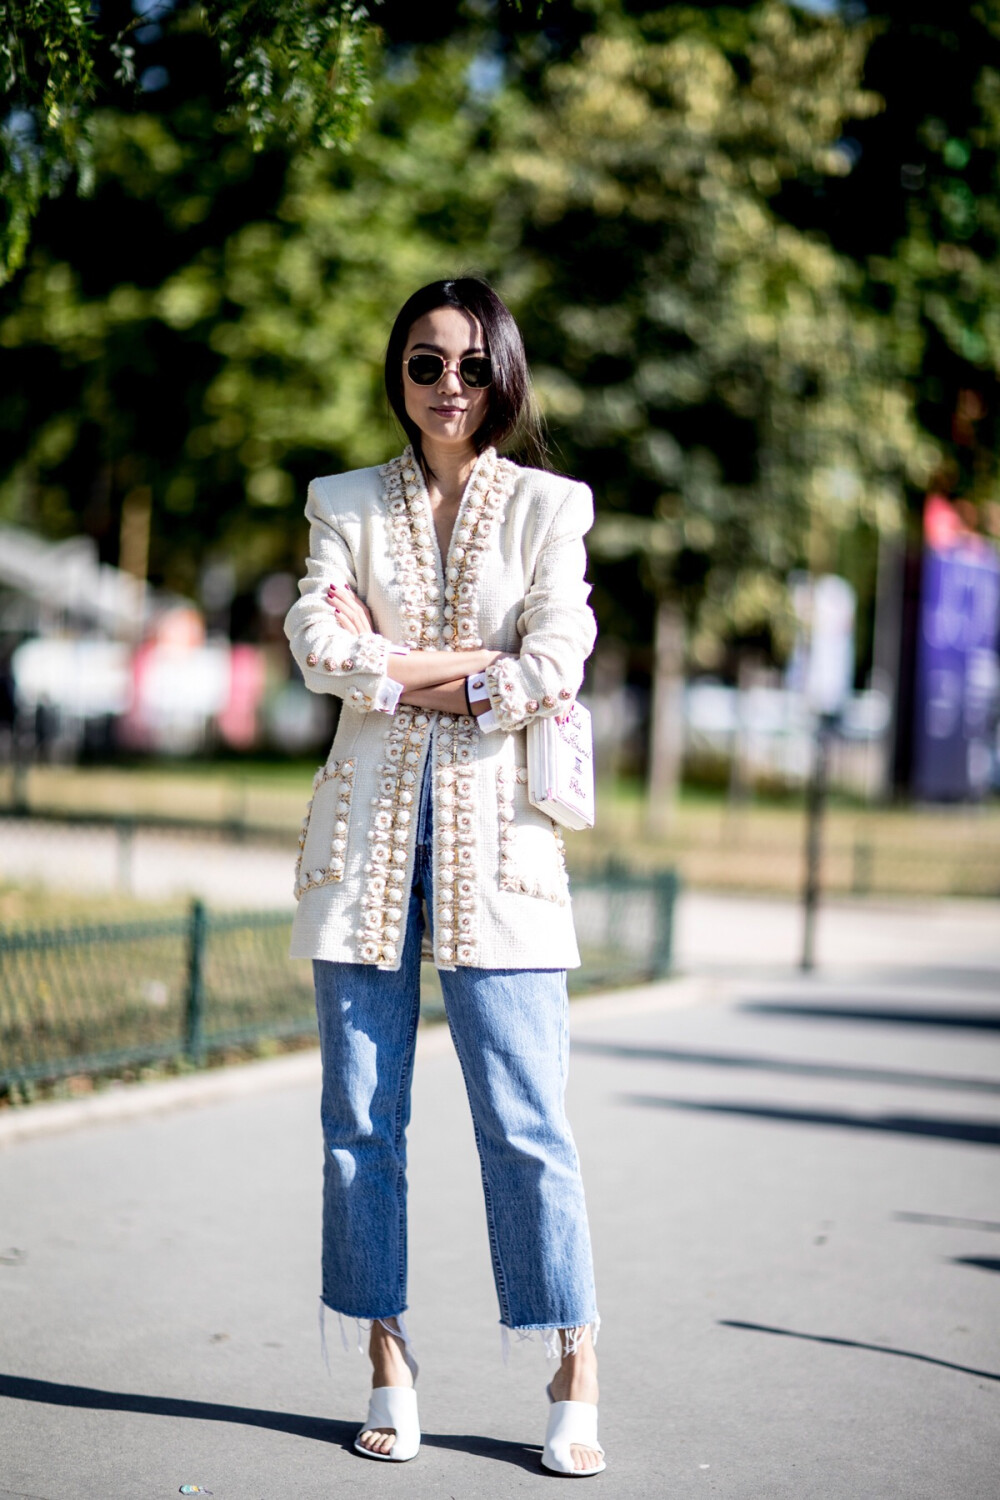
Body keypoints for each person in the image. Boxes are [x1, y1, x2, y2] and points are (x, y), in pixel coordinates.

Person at [283, 276, 604, 1477]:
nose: (449, 387)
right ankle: (387, 1360)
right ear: (398, 371)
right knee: (361, 1126)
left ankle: (573, 1363)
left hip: (502, 859)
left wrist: (412, 665)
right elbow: (318, 646)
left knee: (526, 1126)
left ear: (504, 375)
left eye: (471, 366)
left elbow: (556, 656)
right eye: (426, 363)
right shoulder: (343, 502)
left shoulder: (549, 507)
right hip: (364, 849)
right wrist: (477, 662)